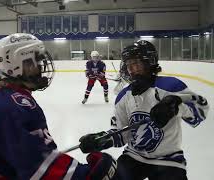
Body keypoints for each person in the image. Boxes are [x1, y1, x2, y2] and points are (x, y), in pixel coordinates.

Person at [0, 33, 123, 180]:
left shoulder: (7, 99)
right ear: (16, 65)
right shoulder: (12, 106)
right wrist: (86, 175)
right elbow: (37, 168)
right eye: (34, 61)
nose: (40, 66)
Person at [78, 40, 209, 180]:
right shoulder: (123, 96)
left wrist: (175, 107)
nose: (132, 69)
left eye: (136, 63)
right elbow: (122, 132)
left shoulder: (170, 86)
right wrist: (101, 139)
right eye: (128, 65)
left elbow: (200, 110)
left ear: (149, 62)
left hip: (169, 159)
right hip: (133, 157)